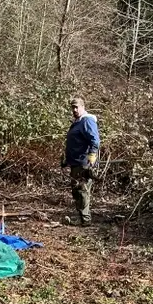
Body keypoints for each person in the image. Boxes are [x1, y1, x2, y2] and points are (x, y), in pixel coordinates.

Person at [60, 96, 100, 227]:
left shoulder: (87, 121)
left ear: (83, 107)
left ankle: (85, 219)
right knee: (77, 191)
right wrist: (67, 160)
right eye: (73, 107)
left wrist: (91, 158)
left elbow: (95, 141)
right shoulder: (78, 122)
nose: (75, 110)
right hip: (75, 162)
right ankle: (81, 217)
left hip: (84, 163)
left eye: (77, 107)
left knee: (82, 190)